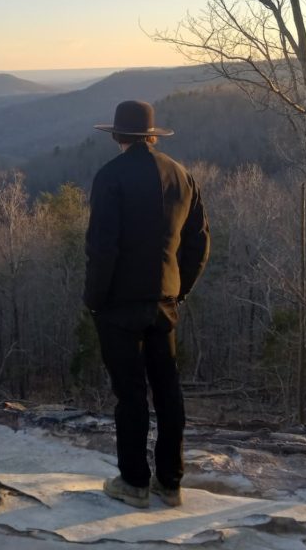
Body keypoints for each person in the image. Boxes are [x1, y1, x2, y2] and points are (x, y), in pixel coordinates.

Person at [85, 100, 210, 509]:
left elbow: (103, 248)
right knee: (168, 392)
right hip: (164, 303)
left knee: (131, 395)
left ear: (118, 137)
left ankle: (134, 482)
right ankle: (170, 484)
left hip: (120, 305)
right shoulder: (181, 175)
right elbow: (199, 242)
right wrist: (180, 289)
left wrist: (95, 300)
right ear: (153, 136)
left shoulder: (110, 178)